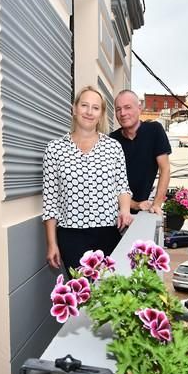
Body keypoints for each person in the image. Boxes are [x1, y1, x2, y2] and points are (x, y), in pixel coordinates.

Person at [42, 86, 133, 274]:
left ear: (101, 115)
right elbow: (50, 202)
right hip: (71, 236)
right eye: (84, 105)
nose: (89, 112)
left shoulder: (113, 147)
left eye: (95, 107)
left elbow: (122, 187)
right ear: (74, 109)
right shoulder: (54, 149)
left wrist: (124, 210)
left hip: (108, 232)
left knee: (108, 295)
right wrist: (52, 244)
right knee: (81, 294)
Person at [110, 90, 171, 215]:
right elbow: (109, 184)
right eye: (118, 109)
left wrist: (157, 204)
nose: (123, 113)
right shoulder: (112, 140)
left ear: (139, 109)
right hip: (114, 212)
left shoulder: (155, 131)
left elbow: (165, 169)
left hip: (143, 212)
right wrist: (136, 205)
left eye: (128, 107)